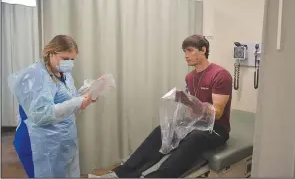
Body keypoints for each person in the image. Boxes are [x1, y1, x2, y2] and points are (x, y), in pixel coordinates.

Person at [97, 34, 233, 178]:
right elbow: (195, 109)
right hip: (196, 123)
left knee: (194, 138)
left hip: (216, 129)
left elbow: (217, 113)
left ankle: (159, 176)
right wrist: (184, 102)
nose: (186, 55)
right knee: (163, 130)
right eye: (184, 52)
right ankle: (122, 173)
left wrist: (190, 102)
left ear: (203, 50)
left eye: (190, 50)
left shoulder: (220, 75)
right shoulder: (190, 77)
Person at [9, 35, 94, 178]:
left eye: (72, 59)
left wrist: (88, 94)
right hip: (37, 142)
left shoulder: (64, 73)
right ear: (52, 53)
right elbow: (40, 114)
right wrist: (77, 101)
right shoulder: (35, 76)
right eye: (65, 58)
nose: (69, 63)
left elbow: (67, 99)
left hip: (59, 140)